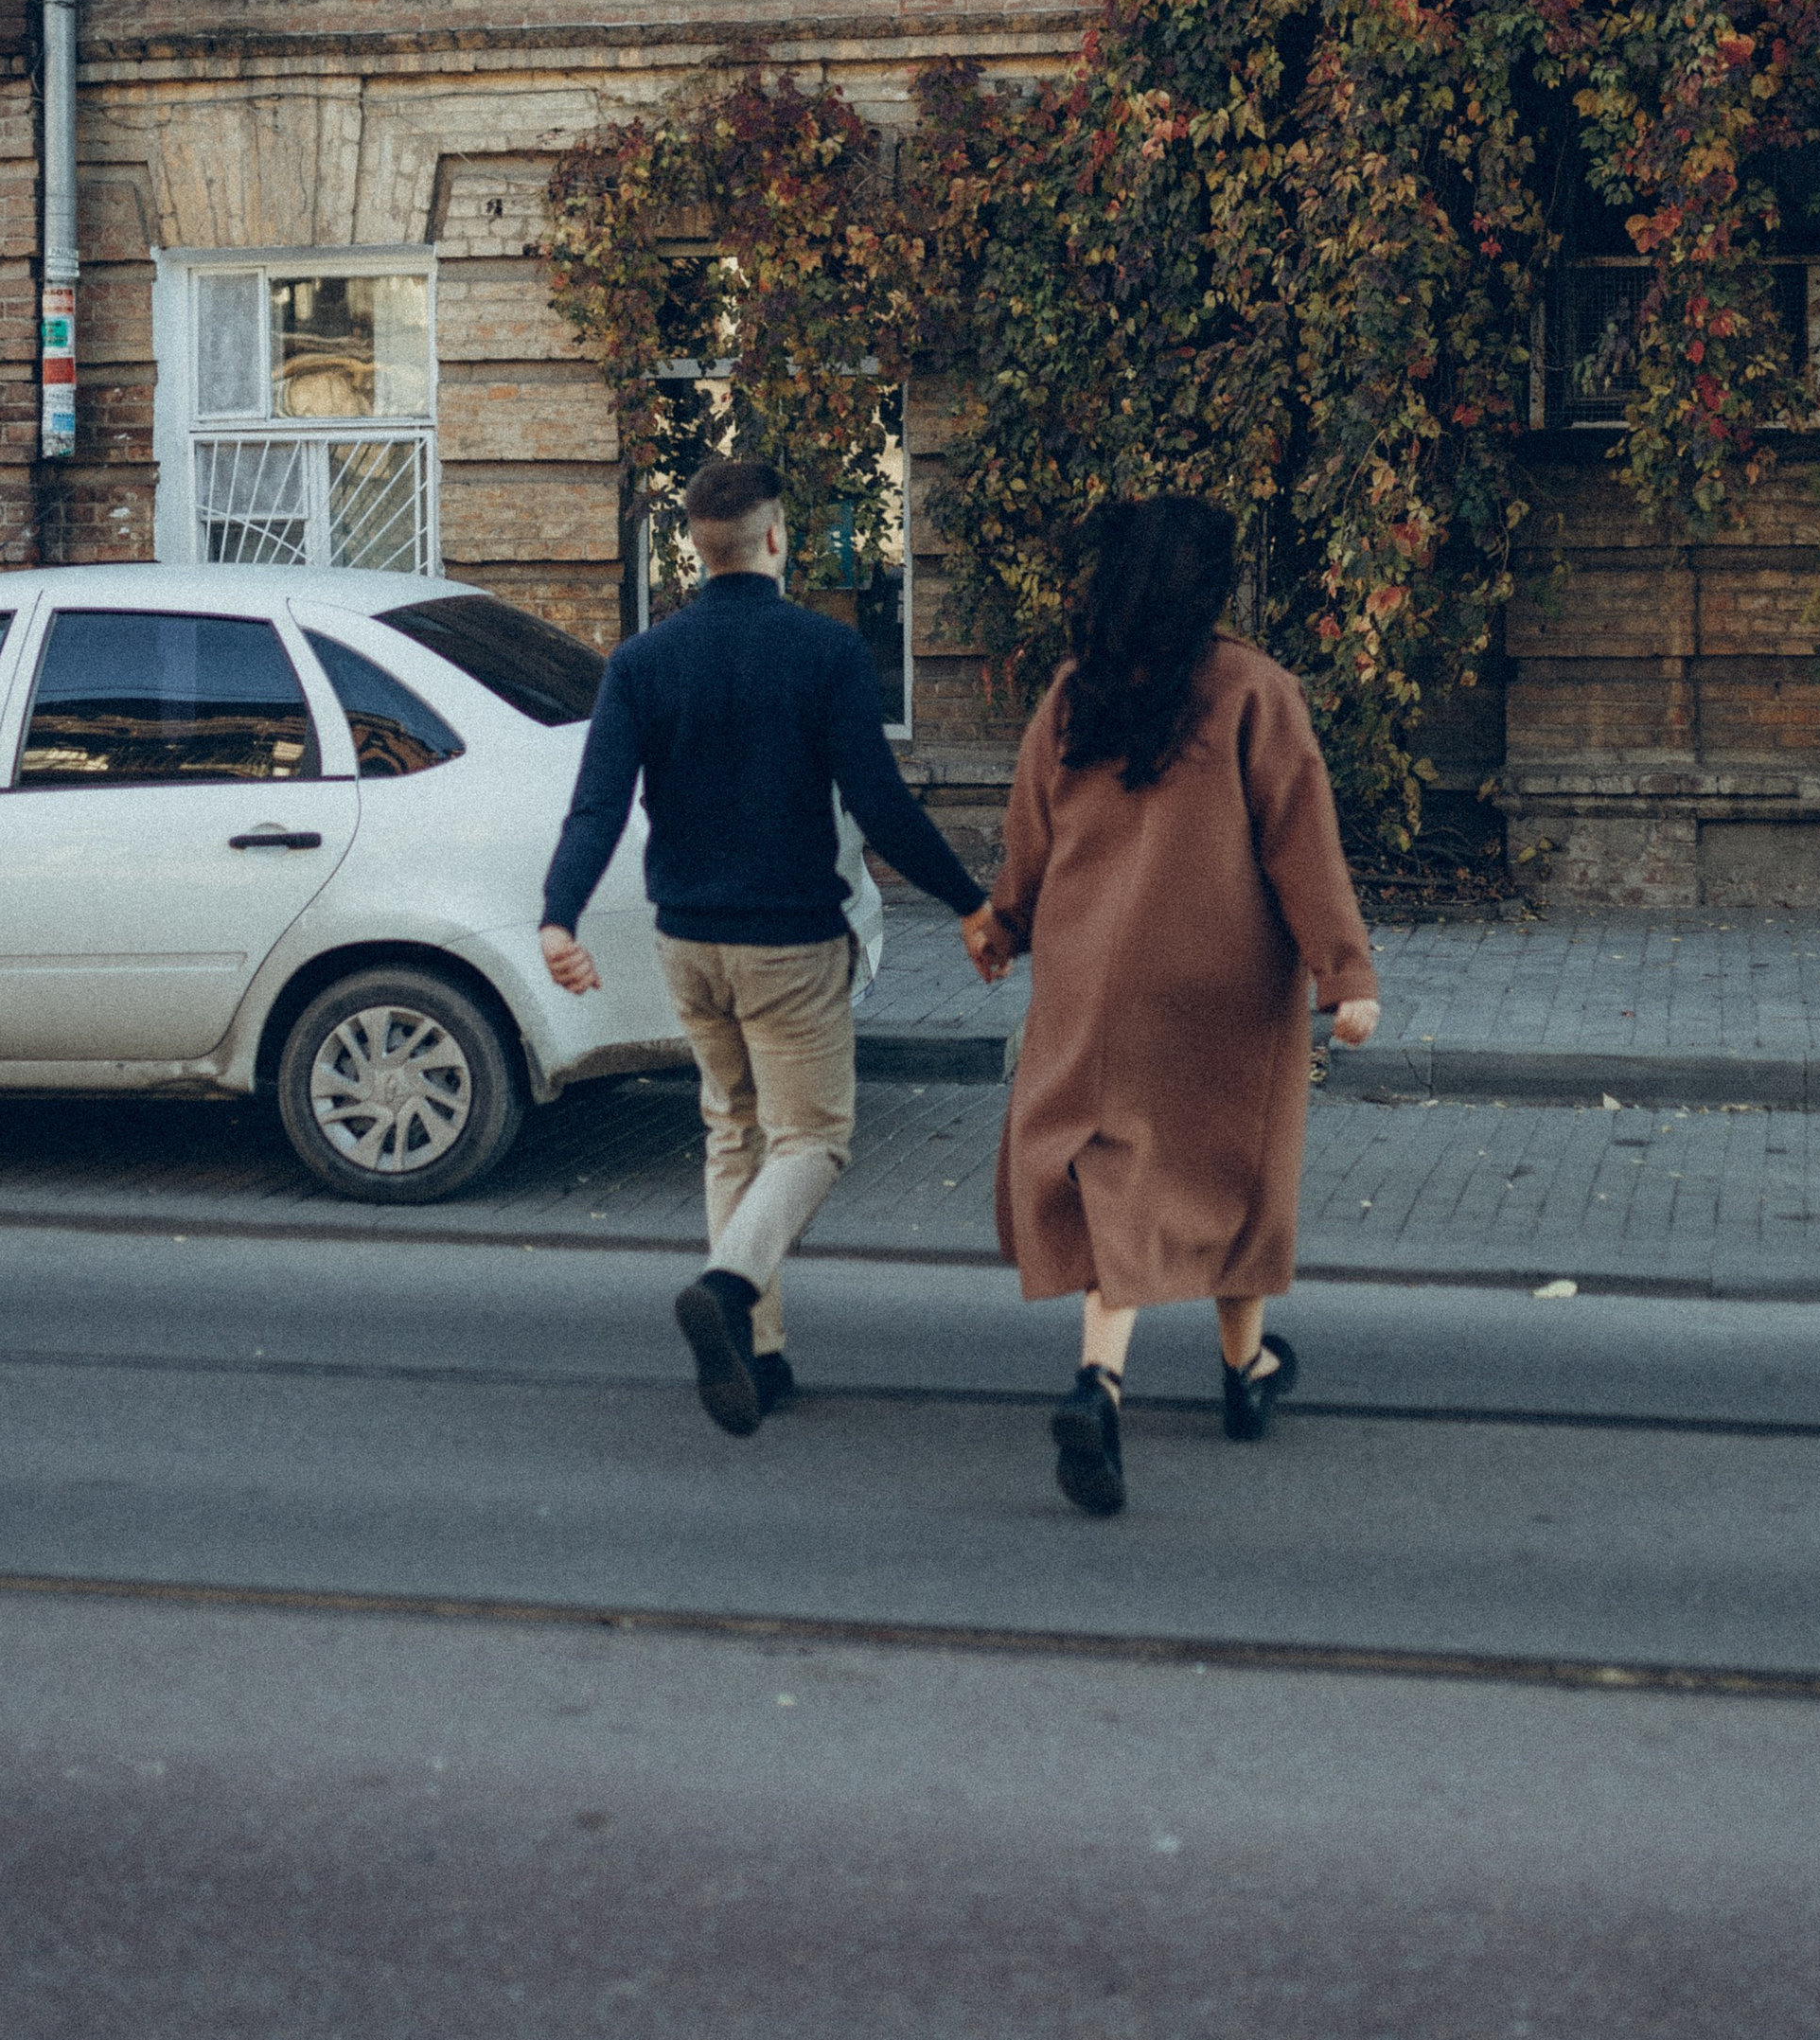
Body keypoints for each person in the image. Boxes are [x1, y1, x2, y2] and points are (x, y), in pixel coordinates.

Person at [541, 456, 993, 1437]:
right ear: (777, 540)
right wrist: (971, 903)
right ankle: (728, 1283)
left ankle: (762, 1354)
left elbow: (596, 806)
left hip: (687, 942)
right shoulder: (824, 654)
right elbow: (880, 806)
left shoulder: (641, 664)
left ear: (694, 552)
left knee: (732, 1130)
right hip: (789, 942)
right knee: (813, 1140)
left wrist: (558, 917)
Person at [963, 496, 1380, 1517]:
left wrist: (1005, 923)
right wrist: (1346, 975)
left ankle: (1146, 1377)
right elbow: (1299, 839)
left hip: (1088, 972)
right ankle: (1205, 1376)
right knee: (1236, 1171)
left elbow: (1031, 825)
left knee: (1117, 1169)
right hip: (1223, 979)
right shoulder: (1254, 688)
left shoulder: (1076, 691)